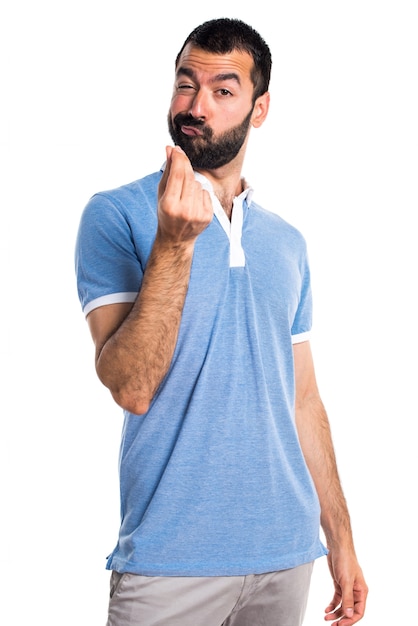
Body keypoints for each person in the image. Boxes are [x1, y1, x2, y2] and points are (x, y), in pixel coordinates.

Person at [75, 17, 368, 626]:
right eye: (186, 84)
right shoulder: (118, 215)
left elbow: (305, 399)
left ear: (259, 109)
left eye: (222, 90)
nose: (195, 106)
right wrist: (174, 246)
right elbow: (130, 385)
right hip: (169, 561)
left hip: (287, 556)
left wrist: (339, 539)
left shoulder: (287, 242)